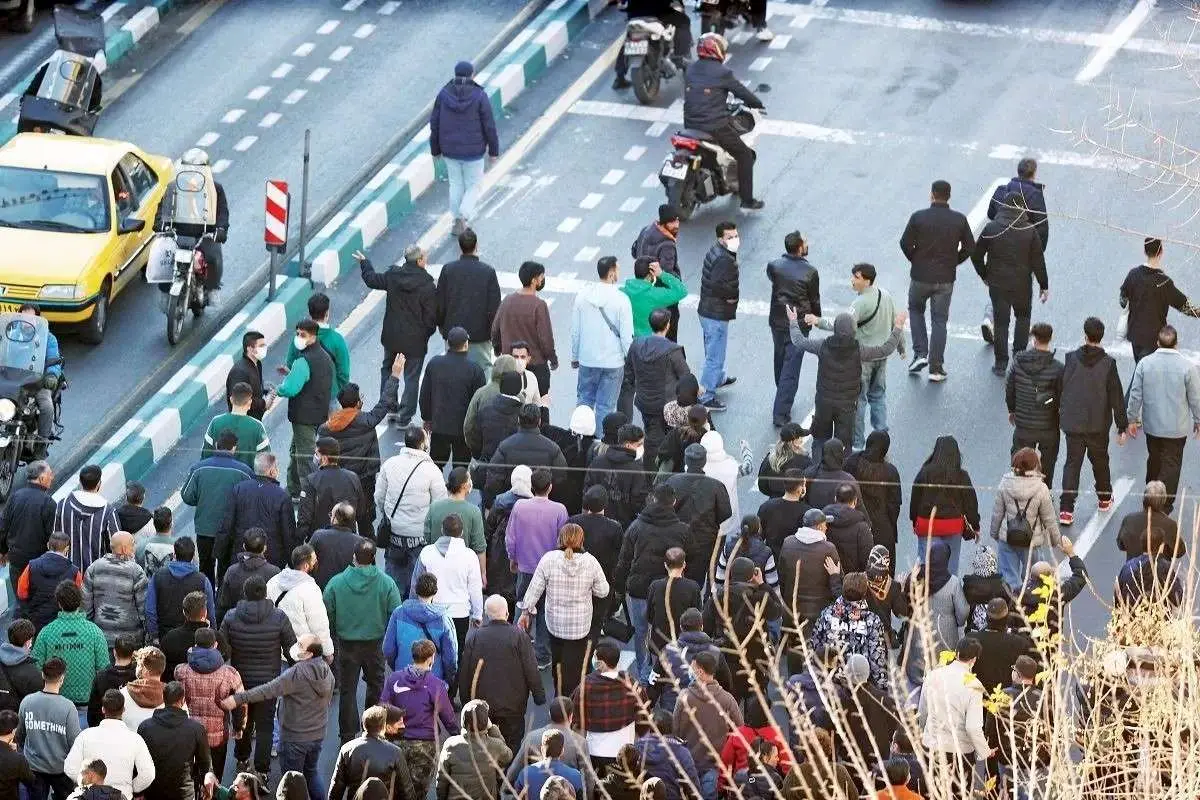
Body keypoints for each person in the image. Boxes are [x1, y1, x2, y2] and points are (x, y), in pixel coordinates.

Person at [221, 635, 335, 799]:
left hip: (295, 737)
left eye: (300, 645)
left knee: (291, 783)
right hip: (317, 735)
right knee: (311, 773)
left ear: (310, 654)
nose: (296, 646)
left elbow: (268, 690)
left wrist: (237, 699)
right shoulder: (326, 670)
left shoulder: (297, 673)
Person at [790, 308, 907, 453]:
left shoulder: (822, 345)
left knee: (820, 440)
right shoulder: (859, 350)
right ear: (853, 329)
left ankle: (817, 469)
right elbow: (885, 350)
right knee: (844, 445)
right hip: (847, 407)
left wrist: (793, 322)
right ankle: (842, 471)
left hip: (823, 404)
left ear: (836, 329)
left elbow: (799, 341)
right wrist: (898, 328)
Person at [814, 264, 902, 447]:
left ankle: (857, 444)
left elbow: (841, 324)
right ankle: (881, 436)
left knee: (859, 401)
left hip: (863, 359)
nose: (852, 281)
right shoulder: (885, 295)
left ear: (867, 280)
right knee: (878, 395)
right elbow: (896, 323)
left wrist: (818, 321)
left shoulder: (860, 303)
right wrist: (901, 346)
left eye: (856, 277)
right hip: (881, 356)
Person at [325, 539, 402, 743]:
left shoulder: (337, 582)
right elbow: (395, 613)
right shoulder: (386, 583)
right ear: (374, 558)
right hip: (375, 644)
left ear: (354, 557)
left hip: (347, 644)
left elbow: (328, 610)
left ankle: (347, 736)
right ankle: (373, 728)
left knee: (348, 691)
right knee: (376, 687)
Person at [518, 523, 609, 696]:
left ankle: (559, 695)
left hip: (555, 623)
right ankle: (572, 699)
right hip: (580, 626)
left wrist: (525, 612)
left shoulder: (549, 559)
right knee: (575, 666)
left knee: (557, 661)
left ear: (560, 538)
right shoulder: (591, 562)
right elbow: (603, 591)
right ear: (581, 540)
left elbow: (534, 589)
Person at [220, 575, 297, 776]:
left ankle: (242, 759)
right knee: (265, 726)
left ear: (244, 593)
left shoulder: (231, 616)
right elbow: (291, 650)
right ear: (265, 593)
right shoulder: (279, 617)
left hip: (240, 681)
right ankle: (262, 770)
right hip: (269, 681)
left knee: (243, 722)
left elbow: (223, 650)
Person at [900, 179, 975, 382]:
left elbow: (905, 243)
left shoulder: (919, 217)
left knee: (915, 311)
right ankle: (936, 367)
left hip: (920, 277)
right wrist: (954, 262)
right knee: (939, 321)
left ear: (931, 194)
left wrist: (916, 260)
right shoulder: (959, 220)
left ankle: (920, 354)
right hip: (945, 279)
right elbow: (970, 247)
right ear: (949, 196)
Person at [614, 483, 691, 681]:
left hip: (639, 587)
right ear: (673, 502)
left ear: (652, 499)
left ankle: (644, 672)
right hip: (670, 588)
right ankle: (670, 669)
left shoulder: (636, 526)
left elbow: (624, 560)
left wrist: (619, 588)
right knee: (671, 629)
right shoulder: (682, 529)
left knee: (641, 630)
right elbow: (692, 557)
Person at [320, 358, 403, 538]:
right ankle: (367, 555)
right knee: (365, 520)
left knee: (345, 518)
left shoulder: (327, 428)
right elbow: (385, 402)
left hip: (340, 480)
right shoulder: (366, 421)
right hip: (365, 479)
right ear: (358, 402)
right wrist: (395, 376)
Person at [1056, 319, 1128, 525]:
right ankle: (1104, 498)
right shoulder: (1108, 364)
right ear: (1101, 337)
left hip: (1074, 425)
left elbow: (1062, 389)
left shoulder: (1070, 359)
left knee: (1072, 464)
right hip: (1098, 426)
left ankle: (1066, 509)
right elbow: (1116, 397)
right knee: (1100, 462)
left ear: (1085, 335)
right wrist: (1122, 426)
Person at [682, 33, 765, 209]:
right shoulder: (723, 73)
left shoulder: (690, 69)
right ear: (717, 50)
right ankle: (747, 200)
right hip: (714, 126)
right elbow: (742, 92)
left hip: (690, 125)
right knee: (744, 155)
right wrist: (757, 103)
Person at [354, 246, 436, 424]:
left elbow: (372, 280)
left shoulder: (393, 276)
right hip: (415, 341)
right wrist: (425, 334)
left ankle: (389, 407)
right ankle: (405, 417)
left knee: (388, 370)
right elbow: (431, 317)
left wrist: (364, 263)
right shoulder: (427, 285)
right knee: (411, 377)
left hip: (392, 338)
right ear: (420, 261)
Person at [972, 193, 1049, 375]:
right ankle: (1019, 359)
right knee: (1022, 318)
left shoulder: (992, 228)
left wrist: (984, 274)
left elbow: (976, 255)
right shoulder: (1029, 230)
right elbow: (1038, 261)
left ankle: (1000, 364)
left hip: (998, 284)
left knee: (1000, 323)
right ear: (1022, 208)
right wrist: (1043, 285)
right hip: (1022, 284)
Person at [1127, 324, 1200, 513]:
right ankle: (1164, 504)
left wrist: (1131, 419)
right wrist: (1198, 421)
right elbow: (1195, 399)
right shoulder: (1188, 367)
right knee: (1172, 464)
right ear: (1177, 344)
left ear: (1157, 342)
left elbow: (1135, 395)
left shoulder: (1145, 364)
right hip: (1177, 428)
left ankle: (1150, 496)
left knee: (1154, 459)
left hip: (1153, 426)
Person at [460, 594, 545, 753]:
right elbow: (531, 668)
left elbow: (465, 671)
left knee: (483, 743)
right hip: (513, 705)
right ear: (507, 614)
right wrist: (539, 695)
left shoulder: (475, 637)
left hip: (482, 705)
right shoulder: (519, 637)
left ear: (486, 614)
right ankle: (508, 774)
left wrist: (466, 700)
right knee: (512, 742)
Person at [507, 469, 569, 670]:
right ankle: (542, 655)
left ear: (531, 487)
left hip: (525, 567)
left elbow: (511, 538)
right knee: (544, 610)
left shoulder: (519, 506)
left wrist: (513, 558)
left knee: (522, 605)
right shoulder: (560, 510)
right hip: (550, 569)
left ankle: (517, 649)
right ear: (550, 487)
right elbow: (563, 541)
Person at [381, 639, 458, 794]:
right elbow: (448, 717)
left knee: (395, 789)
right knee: (418, 791)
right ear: (431, 658)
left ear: (413, 656)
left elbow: (383, 707)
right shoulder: (436, 685)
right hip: (425, 746)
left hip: (395, 742)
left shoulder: (394, 679)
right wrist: (460, 736)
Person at [430, 63, 500, 234]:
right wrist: (493, 151)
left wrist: (435, 150)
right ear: (472, 75)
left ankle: (456, 219)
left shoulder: (444, 94)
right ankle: (463, 216)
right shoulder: (479, 96)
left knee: (455, 184)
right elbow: (489, 125)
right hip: (473, 152)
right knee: (473, 185)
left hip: (449, 150)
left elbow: (435, 124)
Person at [377, 426, 447, 592]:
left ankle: (395, 616)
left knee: (394, 586)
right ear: (423, 444)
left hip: (394, 535)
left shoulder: (389, 464)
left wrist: (388, 515)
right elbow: (439, 505)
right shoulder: (432, 470)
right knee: (419, 587)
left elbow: (379, 496)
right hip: (420, 537)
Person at [918, 637, 991, 794]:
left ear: (956, 653)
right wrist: (984, 751)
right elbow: (973, 728)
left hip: (932, 745)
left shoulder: (933, 675)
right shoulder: (974, 685)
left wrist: (921, 733)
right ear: (974, 660)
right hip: (959, 753)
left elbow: (923, 710)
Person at [626, 307, 695, 468]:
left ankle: (650, 468)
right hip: (667, 405)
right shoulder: (672, 350)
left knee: (651, 435)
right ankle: (662, 471)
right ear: (668, 325)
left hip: (644, 402)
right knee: (668, 440)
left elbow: (628, 372)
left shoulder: (636, 345)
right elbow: (686, 377)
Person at [182, 429, 254, 585]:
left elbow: (187, 496)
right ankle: (221, 597)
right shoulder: (244, 471)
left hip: (204, 529)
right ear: (234, 448)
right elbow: (249, 500)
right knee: (226, 568)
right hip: (230, 530)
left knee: (206, 565)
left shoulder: (198, 469)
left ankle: (206, 598)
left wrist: (203, 500)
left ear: (216, 445)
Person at [411, 515, 483, 668]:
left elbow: (415, 585)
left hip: (431, 612)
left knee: (431, 654)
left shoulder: (427, 552)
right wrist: (478, 614)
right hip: (460, 614)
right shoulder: (470, 556)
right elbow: (475, 588)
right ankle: (451, 687)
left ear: (442, 530)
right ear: (462, 532)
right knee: (456, 655)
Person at [173, 627, 244, 782]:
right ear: (216, 644)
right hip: (218, 737)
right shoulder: (230, 673)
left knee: (192, 778)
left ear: (195, 645)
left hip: (189, 734)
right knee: (215, 779)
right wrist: (238, 727)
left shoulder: (181, 672)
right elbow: (240, 703)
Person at [571, 256, 635, 426]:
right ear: (612, 273)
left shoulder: (583, 296)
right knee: (605, 407)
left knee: (584, 403)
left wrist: (575, 356)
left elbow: (576, 331)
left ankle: (580, 438)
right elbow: (626, 336)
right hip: (613, 362)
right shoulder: (622, 299)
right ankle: (600, 445)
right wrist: (630, 359)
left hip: (587, 359)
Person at [766, 232, 821, 427]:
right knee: (791, 367)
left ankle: (782, 393)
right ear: (799, 247)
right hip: (798, 323)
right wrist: (816, 318)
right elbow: (814, 299)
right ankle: (781, 412)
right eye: (805, 242)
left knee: (780, 360)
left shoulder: (774, 266)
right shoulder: (810, 272)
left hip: (777, 321)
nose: (808, 244)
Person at [277, 319, 336, 497]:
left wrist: (277, 390)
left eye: (303, 335)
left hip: (303, 417)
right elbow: (314, 380)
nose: (299, 338)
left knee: (304, 458)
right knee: (296, 451)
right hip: (319, 413)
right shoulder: (325, 356)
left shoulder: (303, 361)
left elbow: (290, 388)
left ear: (313, 336)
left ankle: (307, 495)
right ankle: (293, 489)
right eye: (297, 334)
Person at [673, 649, 742, 799]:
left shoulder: (684, 698)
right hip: (716, 765)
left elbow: (675, 732)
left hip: (689, 763)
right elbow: (739, 732)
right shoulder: (728, 700)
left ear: (699, 671)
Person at [990, 448, 1061, 591]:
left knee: (1009, 577)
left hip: (1008, 537)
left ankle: (1013, 604)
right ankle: (1030, 603)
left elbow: (997, 512)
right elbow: (1049, 518)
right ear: (1035, 466)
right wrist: (1055, 540)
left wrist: (994, 533)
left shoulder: (1005, 483)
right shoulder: (1041, 488)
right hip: (1032, 540)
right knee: (1036, 576)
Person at [1119, 237, 1200, 363]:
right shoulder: (1164, 282)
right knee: (1146, 376)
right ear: (1161, 252)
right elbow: (1185, 307)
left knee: (1141, 371)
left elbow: (1122, 301)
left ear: (1145, 252)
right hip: (1154, 339)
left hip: (1135, 335)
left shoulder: (1133, 274)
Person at [31, 581, 110, 710]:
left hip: (55, 703)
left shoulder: (46, 632)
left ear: (59, 603)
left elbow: (36, 668)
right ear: (79, 602)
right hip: (87, 703)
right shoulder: (94, 632)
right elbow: (103, 669)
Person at [63, 690, 154, 799]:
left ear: (103, 709)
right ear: (123, 710)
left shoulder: (85, 735)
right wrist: (131, 788)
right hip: (122, 795)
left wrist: (86, 784)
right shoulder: (135, 739)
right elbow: (148, 774)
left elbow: (70, 768)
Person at [1005, 322, 1064, 488]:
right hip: (1049, 425)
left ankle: (1020, 489)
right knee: (1048, 462)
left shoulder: (1019, 362)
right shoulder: (1058, 368)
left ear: (1033, 339)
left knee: (1020, 460)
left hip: (1023, 424)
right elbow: (1062, 397)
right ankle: (1044, 491)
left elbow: (1010, 389)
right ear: (1050, 338)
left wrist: (1012, 410)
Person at [902, 540, 968, 687]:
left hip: (919, 634)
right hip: (945, 636)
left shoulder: (916, 577)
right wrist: (956, 621)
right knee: (944, 675)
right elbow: (963, 613)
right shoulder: (953, 583)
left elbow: (905, 605)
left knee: (919, 674)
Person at [909, 435, 980, 572]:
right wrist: (975, 525)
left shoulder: (925, 472)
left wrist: (914, 521)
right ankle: (948, 592)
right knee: (951, 567)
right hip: (952, 525)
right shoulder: (961, 476)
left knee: (925, 566)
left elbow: (915, 499)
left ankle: (924, 591)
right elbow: (970, 503)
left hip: (927, 524)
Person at [809, 572, 889, 691]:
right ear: (864, 594)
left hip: (830, 684)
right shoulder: (872, 620)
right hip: (858, 684)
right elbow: (877, 659)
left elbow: (815, 647)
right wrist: (881, 692)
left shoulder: (827, 614)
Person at [420, 326, 487, 469]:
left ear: (448, 343)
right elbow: (479, 402)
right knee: (461, 466)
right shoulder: (475, 369)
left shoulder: (434, 364)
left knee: (436, 464)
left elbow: (425, 394)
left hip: (439, 425)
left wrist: (427, 418)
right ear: (466, 344)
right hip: (463, 428)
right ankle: (457, 490)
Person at [570, 639, 643, 769]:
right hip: (626, 751)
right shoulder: (631, 683)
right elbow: (644, 714)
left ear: (601, 663)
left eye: (594, 656)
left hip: (595, 751)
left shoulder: (587, 685)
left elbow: (575, 719)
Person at [437, 229, 502, 372]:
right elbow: (494, 308)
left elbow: (440, 303)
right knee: (483, 370)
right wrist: (495, 335)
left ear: (460, 246)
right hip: (480, 335)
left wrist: (443, 327)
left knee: (453, 371)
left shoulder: (448, 270)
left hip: (453, 333)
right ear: (476, 245)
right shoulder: (488, 272)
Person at [138, 681, 212, 800]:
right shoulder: (196, 729)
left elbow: (139, 763)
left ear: (163, 698)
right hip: (184, 793)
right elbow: (205, 763)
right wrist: (205, 784)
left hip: (153, 792)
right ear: (182, 700)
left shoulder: (145, 727)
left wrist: (138, 792)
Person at [493, 263, 558, 395]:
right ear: (534, 281)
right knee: (539, 406)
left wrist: (497, 348)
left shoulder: (507, 301)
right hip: (535, 366)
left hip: (510, 365)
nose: (542, 280)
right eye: (541, 277)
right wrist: (552, 357)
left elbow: (495, 329)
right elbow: (545, 338)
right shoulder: (539, 305)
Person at [17, 657, 78, 800]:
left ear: (43, 675)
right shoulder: (68, 707)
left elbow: (20, 735)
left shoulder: (27, 701)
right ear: (62, 678)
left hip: (34, 767)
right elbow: (74, 742)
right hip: (60, 769)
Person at [384, 571, 458, 687]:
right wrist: (448, 679)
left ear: (416, 590)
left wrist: (397, 667)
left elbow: (388, 649)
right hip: (432, 680)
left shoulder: (398, 613)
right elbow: (451, 657)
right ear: (435, 592)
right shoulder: (444, 619)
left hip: (403, 677)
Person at [697, 221, 741, 411]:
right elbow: (719, 285)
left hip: (708, 311)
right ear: (720, 239)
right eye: (729, 237)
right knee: (714, 357)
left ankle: (718, 378)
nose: (734, 239)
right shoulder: (724, 259)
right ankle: (706, 396)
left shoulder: (717, 251)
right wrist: (731, 298)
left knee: (712, 350)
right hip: (716, 314)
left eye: (735, 235)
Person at [328, 705, 415, 800]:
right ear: (383, 727)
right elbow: (407, 791)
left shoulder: (347, 749)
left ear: (364, 724)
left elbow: (336, 788)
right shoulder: (395, 752)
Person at [506, 698, 589, 796]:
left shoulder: (532, 737)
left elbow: (514, 771)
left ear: (550, 714)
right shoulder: (580, 742)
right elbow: (588, 779)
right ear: (571, 716)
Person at [267, 544, 335, 662]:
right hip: (300, 653)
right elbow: (319, 625)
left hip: (275, 649)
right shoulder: (310, 589)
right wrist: (328, 652)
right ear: (306, 566)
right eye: (314, 560)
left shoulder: (273, 581)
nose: (316, 562)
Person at [434, 699, 512, 800]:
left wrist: (442, 797)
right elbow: (508, 756)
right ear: (485, 722)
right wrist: (492, 728)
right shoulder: (495, 745)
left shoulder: (450, 744)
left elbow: (442, 778)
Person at [0, 459, 56, 599]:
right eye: (50, 474)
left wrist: (2, 551)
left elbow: (3, 526)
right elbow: (53, 537)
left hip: (16, 561)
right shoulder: (49, 503)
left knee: (21, 601)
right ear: (42, 478)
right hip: (39, 563)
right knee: (38, 603)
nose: (52, 477)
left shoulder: (15, 497)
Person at [81, 531, 147, 648]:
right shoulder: (136, 571)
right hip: (130, 642)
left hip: (100, 638)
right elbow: (143, 609)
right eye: (133, 544)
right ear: (124, 549)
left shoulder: (94, 568)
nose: (135, 547)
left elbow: (85, 606)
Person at [847, 431, 903, 570]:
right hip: (882, 528)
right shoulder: (890, 471)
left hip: (856, 524)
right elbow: (894, 504)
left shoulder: (853, 462)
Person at [146, 537, 216, 643]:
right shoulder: (203, 580)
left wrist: (154, 635)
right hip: (195, 639)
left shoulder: (158, 576)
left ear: (174, 555)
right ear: (193, 557)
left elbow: (150, 610)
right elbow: (210, 612)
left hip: (165, 637)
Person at [298, 437, 366, 543]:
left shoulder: (311, 480)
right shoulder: (353, 478)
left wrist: (297, 544)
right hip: (348, 540)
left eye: (317, 454)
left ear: (324, 458)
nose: (315, 457)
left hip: (319, 542)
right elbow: (361, 513)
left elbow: (304, 519)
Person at [54, 465, 119, 575]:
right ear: (99, 483)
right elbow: (116, 546)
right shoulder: (108, 512)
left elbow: (54, 537)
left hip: (66, 574)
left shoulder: (63, 504)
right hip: (96, 576)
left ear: (80, 482)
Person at [613, 0, 693, 88]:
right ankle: (682, 57)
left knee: (629, 40)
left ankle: (619, 77)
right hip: (658, 14)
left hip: (634, 15)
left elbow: (622, 3)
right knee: (684, 21)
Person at [583, 423, 648, 529]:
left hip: (596, 524)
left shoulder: (597, 462)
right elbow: (639, 502)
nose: (642, 447)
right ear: (628, 445)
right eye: (639, 444)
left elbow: (586, 492)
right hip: (624, 527)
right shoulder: (636, 468)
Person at [632, 207, 683, 341]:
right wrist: (677, 280)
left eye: (677, 221)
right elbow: (667, 274)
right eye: (672, 222)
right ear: (664, 223)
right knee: (669, 339)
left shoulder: (646, 230)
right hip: (663, 298)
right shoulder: (667, 245)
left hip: (643, 287)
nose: (676, 225)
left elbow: (634, 251)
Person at [646, 547, 702, 658]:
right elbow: (697, 614)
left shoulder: (655, 586)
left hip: (659, 642)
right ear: (684, 565)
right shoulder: (692, 587)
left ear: (665, 565)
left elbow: (650, 615)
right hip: (683, 643)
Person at [18, 532, 81, 630]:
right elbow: (78, 599)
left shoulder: (31, 566)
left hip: (36, 622)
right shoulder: (75, 572)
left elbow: (21, 593)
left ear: (48, 545)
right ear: (67, 549)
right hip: (63, 624)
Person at [216, 530, 280, 626]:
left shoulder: (231, 571)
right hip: (267, 629)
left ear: (244, 546)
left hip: (237, 629)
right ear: (265, 548)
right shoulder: (274, 572)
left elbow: (222, 605)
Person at [972, 598, 1034, 694]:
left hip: (978, 698)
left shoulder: (972, 640)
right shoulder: (1019, 643)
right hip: (1008, 699)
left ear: (987, 618)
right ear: (1007, 619)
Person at [203, 382, 271, 469]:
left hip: (218, 479)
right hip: (247, 480)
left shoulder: (215, 422)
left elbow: (205, 455)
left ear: (231, 399)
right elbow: (266, 461)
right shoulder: (257, 427)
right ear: (250, 403)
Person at [988, 157, 1049, 249]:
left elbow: (991, 214)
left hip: (1000, 244)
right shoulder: (1036, 196)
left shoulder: (1001, 190)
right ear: (1034, 174)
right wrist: (1038, 251)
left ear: (1018, 171)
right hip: (1022, 247)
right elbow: (1041, 227)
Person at [621, 257, 689, 339]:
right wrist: (661, 274)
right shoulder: (655, 294)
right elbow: (682, 291)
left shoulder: (622, 292)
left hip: (628, 340)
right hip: (649, 342)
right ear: (651, 274)